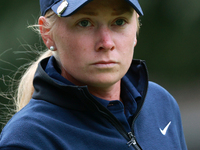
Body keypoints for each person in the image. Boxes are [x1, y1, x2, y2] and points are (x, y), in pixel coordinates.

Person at [0, 0, 187, 149]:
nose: (106, 43)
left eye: (119, 22)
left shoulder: (161, 103)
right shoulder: (28, 139)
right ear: (47, 33)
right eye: (84, 23)